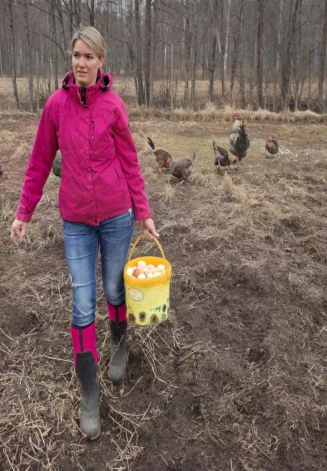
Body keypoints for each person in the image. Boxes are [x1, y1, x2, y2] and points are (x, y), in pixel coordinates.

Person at [10, 26, 159, 440]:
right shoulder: (56, 106)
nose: (81, 63)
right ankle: (89, 393)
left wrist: (143, 212)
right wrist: (24, 212)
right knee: (81, 304)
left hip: (116, 216)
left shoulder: (113, 106)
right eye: (76, 55)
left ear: (101, 61)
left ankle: (120, 345)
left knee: (113, 290)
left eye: (88, 56)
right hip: (75, 220)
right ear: (70, 59)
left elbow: (130, 161)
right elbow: (40, 161)